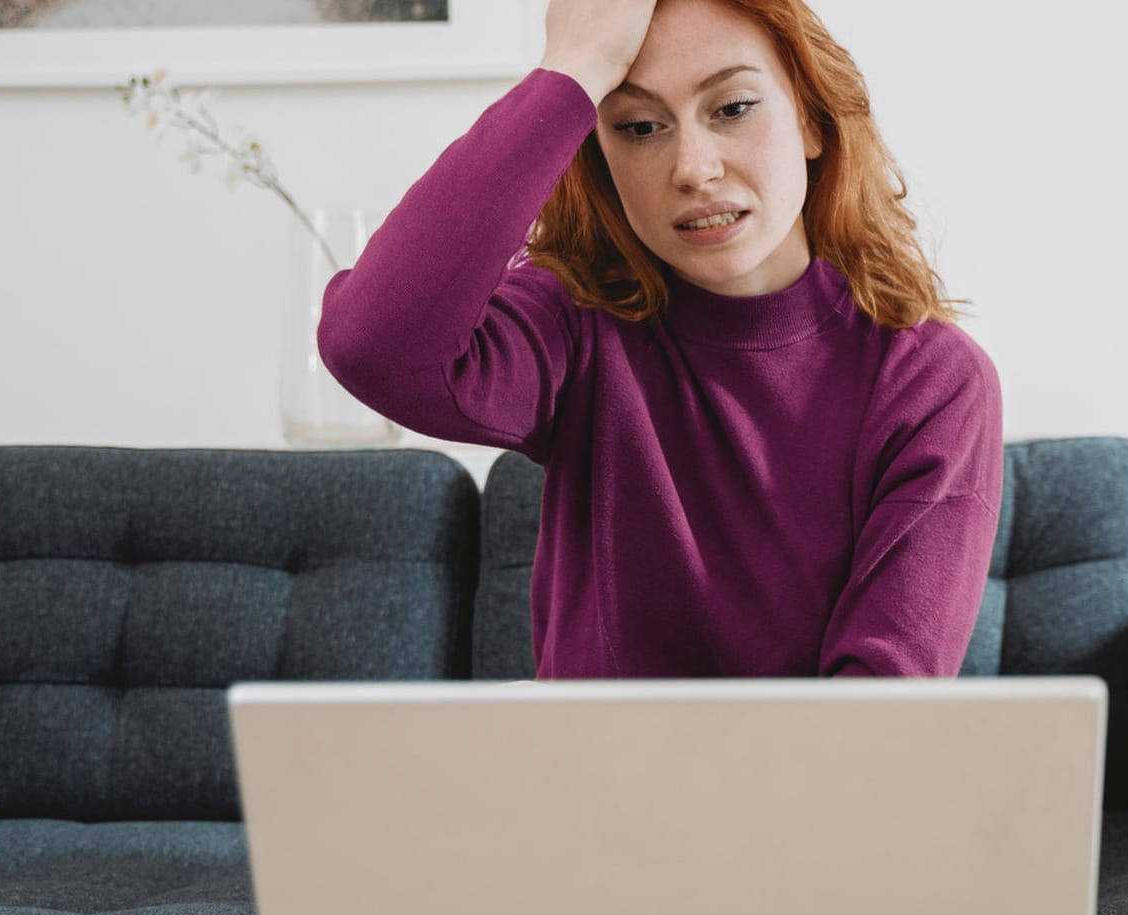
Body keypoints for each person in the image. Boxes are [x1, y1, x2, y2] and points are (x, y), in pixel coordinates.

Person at [318, 0, 1003, 678]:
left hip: (807, 787)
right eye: (640, 126)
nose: (693, 169)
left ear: (812, 120)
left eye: (732, 109)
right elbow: (372, 346)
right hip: (584, 782)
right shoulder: (574, 321)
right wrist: (574, 69)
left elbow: (880, 709)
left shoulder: (931, 383)